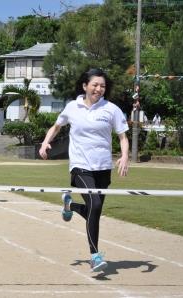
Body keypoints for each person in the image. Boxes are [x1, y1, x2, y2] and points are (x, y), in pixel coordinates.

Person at [39, 68, 129, 273]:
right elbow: (56, 126)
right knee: (95, 204)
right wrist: (45, 143)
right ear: (85, 86)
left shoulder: (111, 109)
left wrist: (124, 156)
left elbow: (123, 137)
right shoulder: (72, 107)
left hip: (103, 167)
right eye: (95, 85)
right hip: (80, 166)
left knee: (94, 211)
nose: (99, 89)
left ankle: (70, 205)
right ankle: (95, 256)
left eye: (103, 86)